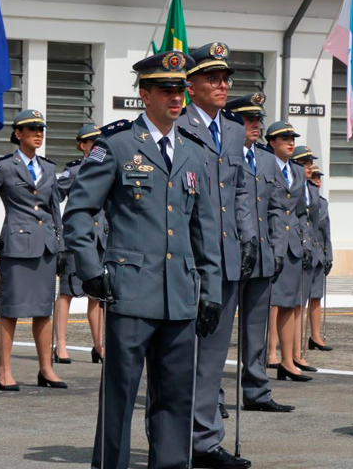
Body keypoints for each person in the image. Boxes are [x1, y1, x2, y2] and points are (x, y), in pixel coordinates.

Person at [64, 50, 221, 469]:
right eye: (166, 90)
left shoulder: (195, 152)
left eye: (181, 90)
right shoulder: (116, 145)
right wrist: (91, 271)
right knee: (119, 395)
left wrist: (213, 293)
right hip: (130, 292)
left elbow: (205, 229)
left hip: (180, 295)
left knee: (174, 397)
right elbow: (78, 213)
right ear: (144, 95)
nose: (176, 98)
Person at [175, 42, 256, 469]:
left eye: (226, 79)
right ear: (191, 85)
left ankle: (204, 441)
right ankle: (170, 440)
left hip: (224, 259)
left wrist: (247, 238)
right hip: (185, 259)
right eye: (213, 78)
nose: (223, 85)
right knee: (176, 355)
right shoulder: (178, 123)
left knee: (211, 357)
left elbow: (240, 189)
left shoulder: (235, 130)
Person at [0, 109, 67, 390]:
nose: (38, 134)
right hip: (17, 246)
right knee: (11, 309)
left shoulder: (50, 168)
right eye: (32, 130)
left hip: (44, 247)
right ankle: (4, 371)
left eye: (41, 129)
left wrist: (61, 246)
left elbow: (54, 209)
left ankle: (46, 369)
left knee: (44, 310)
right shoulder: (5, 167)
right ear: (18, 134)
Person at [225, 94, 294, 414]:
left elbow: (278, 208)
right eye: (248, 119)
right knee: (218, 333)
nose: (256, 125)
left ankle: (256, 391)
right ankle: (211, 397)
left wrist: (278, 249)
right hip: (230, 255)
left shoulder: (266, 160)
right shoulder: (223, 155)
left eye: (258, 120)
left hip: (263, 257)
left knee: (256, 330)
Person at [264, 123, 312, 382]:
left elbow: (300, 212)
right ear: (271, 143)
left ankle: (287, 360)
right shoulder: (264, 164)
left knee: (290, 303)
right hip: (272, 240)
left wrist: (303, 241)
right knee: (273, 303)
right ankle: (271, 355)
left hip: (292, 244)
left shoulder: (296, 170)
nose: (290, 143)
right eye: (284, 139)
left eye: (292, 138)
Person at [54, 124, 106, 364]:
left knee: (98, 296)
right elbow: (54, 196)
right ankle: (61, 345)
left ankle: (99, 345)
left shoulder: (108, 167)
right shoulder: (74, 170)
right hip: (77, 239)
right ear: (82, 146)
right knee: (67, 293)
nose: (97, 146)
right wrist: (57, 231)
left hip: (102, 239)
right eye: (92, 142)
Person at [291, 146, 321, 372]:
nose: (310, 167)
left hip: (308, 248)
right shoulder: (294, 186)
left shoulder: (310, 188)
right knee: (286, 305)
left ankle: (297, 353)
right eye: (305, 163)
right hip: (293, 246)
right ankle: (279, 354)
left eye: (311, 162)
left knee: (299, 304)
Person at [308, 168, 333, 351]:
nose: (317, 181)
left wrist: (329, 256)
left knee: (316, 297)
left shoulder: (323, 204)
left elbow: (326, 233)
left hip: (318, 254)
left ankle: (315, 336)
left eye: (319, 178)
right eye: (314, 177)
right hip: (303, 253)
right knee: (297, 301)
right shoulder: (301, 198)